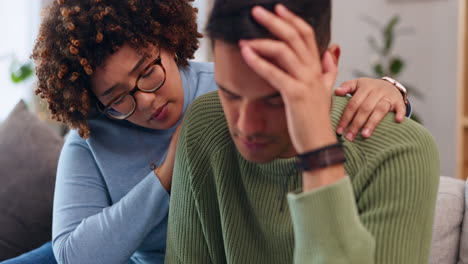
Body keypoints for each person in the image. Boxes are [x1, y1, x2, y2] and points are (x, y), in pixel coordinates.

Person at [1, 0, 412, 264]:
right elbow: (73, 255)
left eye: (148, 72)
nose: (145, 101)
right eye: (117, 97)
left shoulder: (233, 85)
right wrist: (166, 174)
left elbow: (315, 93)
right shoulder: (93, 136)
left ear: (170, 41)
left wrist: (388, 90)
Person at [165, 0, 440, 263]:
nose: (246, 127)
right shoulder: (204, 123)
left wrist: (318, 152)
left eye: (275, 99)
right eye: (229, 93)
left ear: (327, 65)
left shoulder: (401, 152)